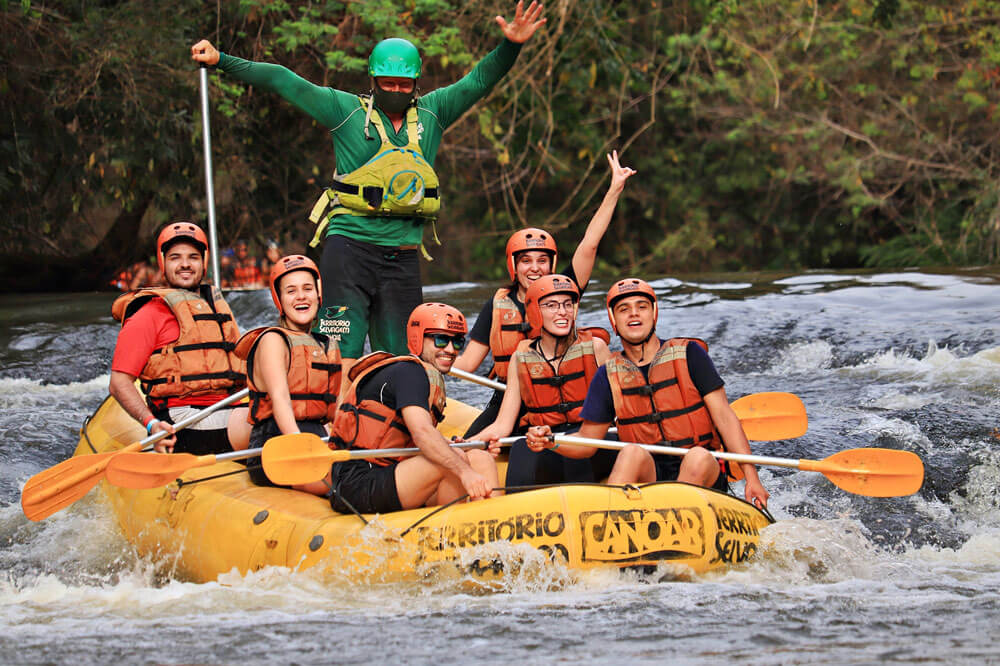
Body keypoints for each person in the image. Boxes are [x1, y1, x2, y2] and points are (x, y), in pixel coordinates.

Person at [190, 1, 547, 388]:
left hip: (403, 257)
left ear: (416, 85)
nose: (395, 91)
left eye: (403, 85)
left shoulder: (434, 112)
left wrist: (510, 45)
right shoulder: (344, 110)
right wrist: (222, 60)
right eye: (387, 84)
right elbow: (284, 80)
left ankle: (393, 423)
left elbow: (479, 80)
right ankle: (339, 421)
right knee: (341, 347)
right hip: (349, 251)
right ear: (373, 81)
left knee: (405, 351)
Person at [525, 278, 770, 508]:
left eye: (641, 306)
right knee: (631, 452)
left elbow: (725, 419)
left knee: (697, 456)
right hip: (651, 474)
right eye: (624, 309)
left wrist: (752, 478)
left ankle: (679, 518)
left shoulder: (690, 354)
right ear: (614, 320)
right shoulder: (608, 374)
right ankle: (611, 521)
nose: (633, 313)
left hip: (703, 470)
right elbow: (588, 440)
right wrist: (551, 441)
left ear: (653, 314)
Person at [453, 150, 636, 435]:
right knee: (470, 447)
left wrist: (614, 189)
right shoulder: (497, 304)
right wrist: (425, 360)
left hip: (566, 395)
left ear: (551, 263)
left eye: (542, 260)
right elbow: (467, 363)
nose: (534, 268)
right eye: (526, 261)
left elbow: (589, 244)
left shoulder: (563, 288)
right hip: (510, 400)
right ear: (514, 265)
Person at [321, 303, 500, 514]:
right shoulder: (409, 373)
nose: (451, 349)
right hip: (357, 483)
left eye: (458, 342)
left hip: (391, 474)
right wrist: (464, 471)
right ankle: (454, 530)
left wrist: (454, 446)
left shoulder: (419, 374)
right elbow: (422, 432)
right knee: (456, 460)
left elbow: (412, 438)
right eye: (441, 339)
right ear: (417, 338)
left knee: (480, 457)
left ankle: (488, 526)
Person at [109, 222, 251, 454]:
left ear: (203, 262)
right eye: (175, 257)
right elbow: (118, 382)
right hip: (181, 422)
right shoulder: (148, 314)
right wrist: (151, 423)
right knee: (268, 427)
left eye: (193, 257)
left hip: (228, 409)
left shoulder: (216, 309)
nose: (185, 264)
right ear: (163, 263)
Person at [468, 274, 617, 489]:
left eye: (567, 304)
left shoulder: (596, 348)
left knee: (575, 448)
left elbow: (622, 406)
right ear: (536, 312)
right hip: (545, 440)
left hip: (592, 440)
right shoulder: (520, 359)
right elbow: (503, 424)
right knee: (521, 448)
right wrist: (466, 443)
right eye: (551, 305)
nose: (562, 311)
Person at [235, 255, 341, 494]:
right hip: (277, 448)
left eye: (307, 289)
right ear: (279, 299)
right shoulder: (273, 340)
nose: (301, 296)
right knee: (343, 481)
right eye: (291, 291)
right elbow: (280, 399)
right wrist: (298, 445)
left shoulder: (325, 344)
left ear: (318, 294)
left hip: (316, 440)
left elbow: (337, 406)